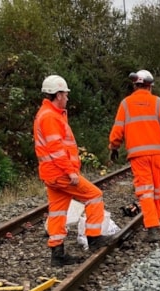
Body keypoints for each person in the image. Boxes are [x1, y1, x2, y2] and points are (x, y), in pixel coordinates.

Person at [34, 75, 111, 267]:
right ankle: (94, 237)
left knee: (58, 212)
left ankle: (57, 254)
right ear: (58, 95)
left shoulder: (47, 114)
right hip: (60, 172)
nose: (68, 98)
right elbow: (57, 150)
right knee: (95, 196)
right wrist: (71, 172)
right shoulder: (50, 117)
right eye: (66, 94)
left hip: (51, 173)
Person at [108, 70, 160, 243]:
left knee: (146, 193)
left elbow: (118, 129)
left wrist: (114, 147)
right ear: (150, 86)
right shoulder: (158, 103)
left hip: (138, 156)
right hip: (158, 155)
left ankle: (152, 227)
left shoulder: (125, 104)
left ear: (135, 85)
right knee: (157, 190)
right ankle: (156, 222)